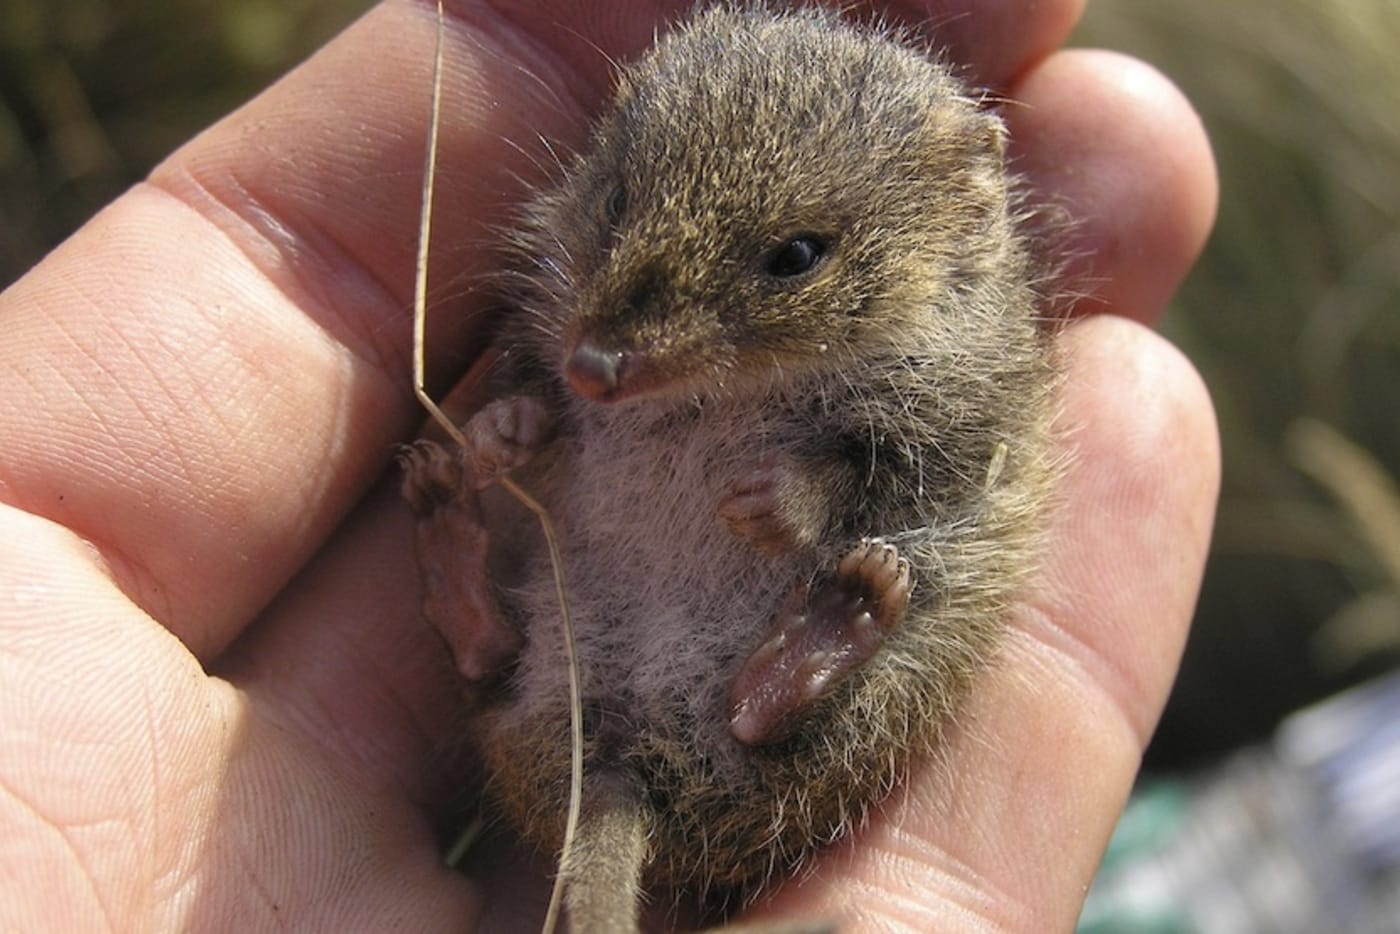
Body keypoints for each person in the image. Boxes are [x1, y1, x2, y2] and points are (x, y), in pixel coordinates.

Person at [0, 0, 1218, 929]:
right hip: (584, 672)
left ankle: (797, 662)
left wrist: (810, 500)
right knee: (562, 741)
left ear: (959, 225)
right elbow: (564, 362)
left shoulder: (947, 342)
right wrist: (522, 417)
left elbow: (931, 476)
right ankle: (505, 634)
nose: (608, 349)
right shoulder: (590, 270)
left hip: (735, 711)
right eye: (622, 202)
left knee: (909, 587)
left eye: (789, 260)